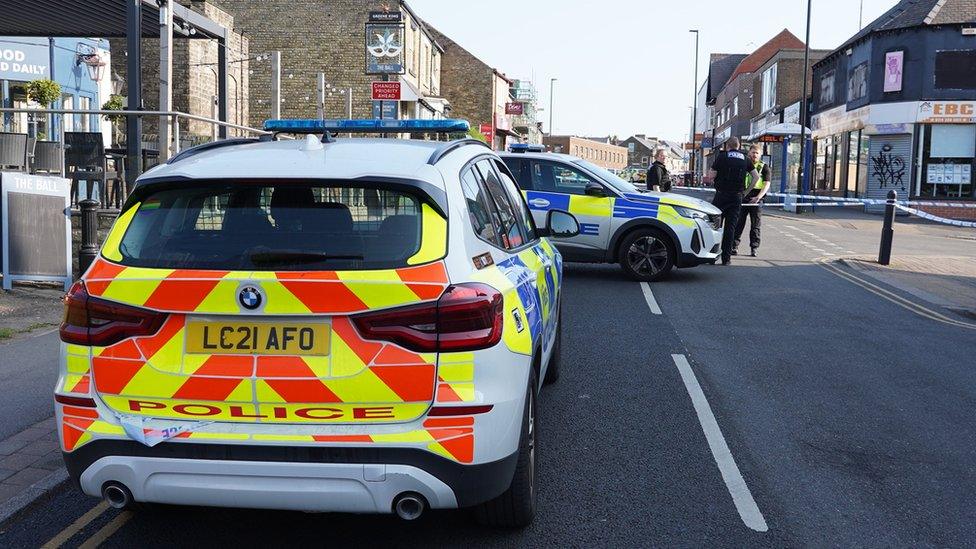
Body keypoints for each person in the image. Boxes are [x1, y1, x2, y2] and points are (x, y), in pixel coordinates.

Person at [707, 137, 761, 266]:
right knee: (730, 229)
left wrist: (713, 174)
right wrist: (745, 192)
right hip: (737, 197)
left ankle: (712, 256)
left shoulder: (722, 157)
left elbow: (711, 175)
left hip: (721, 195)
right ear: (738, 146)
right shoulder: (745, 159)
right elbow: (756, 177)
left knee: (715, 226)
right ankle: (726, 259)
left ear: (727, 146)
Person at [733, 144, 772, 257]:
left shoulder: (764, 167)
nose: (754, 155)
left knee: (755, 225)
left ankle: (754, 248)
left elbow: (766, 184)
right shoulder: (743, 164)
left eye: (757, 153)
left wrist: (758, 197)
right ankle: (734, 247)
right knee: (739, 224)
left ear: (760, 155)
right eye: (753, 152)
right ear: (749, 153)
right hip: (743, 197)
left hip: (756, 198)